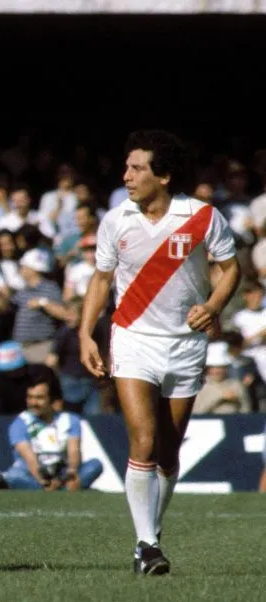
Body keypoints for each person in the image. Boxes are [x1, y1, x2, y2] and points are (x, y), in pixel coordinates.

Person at [79, 129, 239, 575]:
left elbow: (231, 269)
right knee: (144, 440)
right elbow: (100, 279)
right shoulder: (116, 220)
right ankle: (146, 544)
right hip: (132, 338)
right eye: (127, 167)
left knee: (168, 452)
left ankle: (152, 529)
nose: (126, 176)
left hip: (185, 345)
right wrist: (86, 334)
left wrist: (212, 306)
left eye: (137, 168)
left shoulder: (203, 217)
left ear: (164, 176)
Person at [2, 376, 104, 490]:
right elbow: (29, 459)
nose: (33, 402)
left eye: (39, 398)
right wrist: (44, 481)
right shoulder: (20, 423)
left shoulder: (70, 420)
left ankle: (65, 488)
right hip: (33, 475)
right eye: (30, 397)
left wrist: (71, 473)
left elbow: (74, 451)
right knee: (13, 476)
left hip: (63, 475)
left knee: (95, 465)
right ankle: (65, 491)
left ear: (51, 400)